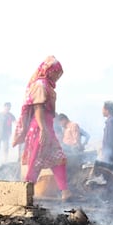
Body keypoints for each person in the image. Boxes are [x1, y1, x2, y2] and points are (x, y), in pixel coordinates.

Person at [12, 55, 70, 200]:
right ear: (50, 71)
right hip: (40, 128)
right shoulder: (40, 84)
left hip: (46, 126)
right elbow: (38, 108)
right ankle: (25, 194)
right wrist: (43, 129)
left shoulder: (47, 85)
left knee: (57, 158)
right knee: (35, 162)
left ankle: (65, 192)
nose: (57, 77)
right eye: (56, 73)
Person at [101, 100, 113, 168]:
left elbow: (108, 140)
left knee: (105, 174)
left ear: (107, 110)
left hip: (109, 154)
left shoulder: (110, 122)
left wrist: (104, 154)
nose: (102, 111)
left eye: (103, 109)